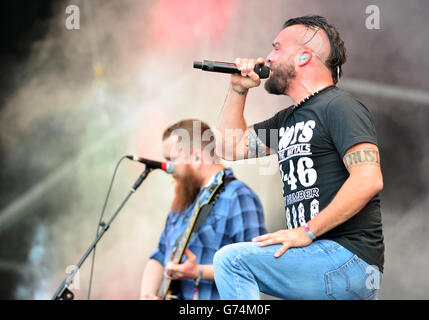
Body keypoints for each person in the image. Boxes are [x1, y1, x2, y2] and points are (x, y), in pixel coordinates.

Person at [213, 15, 384, 300]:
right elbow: (230, 147)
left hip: (347, 256)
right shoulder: (287, 121)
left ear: (304, 56)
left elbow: (368, 180)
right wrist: (238, 88)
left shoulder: (340, 106)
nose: (268, 57)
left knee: (233, 261)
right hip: (316, 255)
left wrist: (307, 230)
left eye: (277, 48)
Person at [140, 119, 266, 300]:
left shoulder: (238, 196)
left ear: (197, 157)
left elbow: (256, 266)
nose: (169, 169)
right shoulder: (184, 200)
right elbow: (159, 256)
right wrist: (147, 294)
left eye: (172, 160)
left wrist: (198, 271)